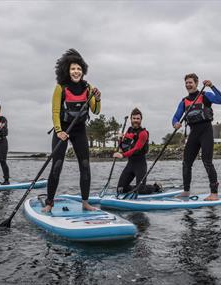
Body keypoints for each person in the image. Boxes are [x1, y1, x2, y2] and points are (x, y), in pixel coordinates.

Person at [42, 49, 101, 212]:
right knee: (57, 165)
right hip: (62, 129)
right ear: (67, 71)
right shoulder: (60, 87)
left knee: (85, 165)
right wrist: (59, 131)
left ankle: (85, 202)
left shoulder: (88, 87)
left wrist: (98, 98)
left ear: (83, 71)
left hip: (79, 130)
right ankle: (49, 202)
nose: (76, 72)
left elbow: (96, 111)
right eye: (73, 69)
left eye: (79, 69)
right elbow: (55, 112)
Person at [172, 73, 221, 201]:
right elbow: (176, 116)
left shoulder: (205, 95)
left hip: (206, 131)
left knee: (207, 161)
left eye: (190, 82)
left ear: (196, 83)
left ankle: (214, 193)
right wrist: (175, 123)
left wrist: (212, 86)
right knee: (186, 163)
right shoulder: (184, 101)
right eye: (186, 83)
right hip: (193, 133)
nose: (188, 85)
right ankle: (186, 191)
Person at [113, 108, 163, 195]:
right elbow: (123, 147)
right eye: (134, 118)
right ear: (131, 119)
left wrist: (122, 155)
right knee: (120, 189)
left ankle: (156, 187)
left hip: (140, 164)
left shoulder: (143, 133)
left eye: (138, 119)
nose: (136, 120)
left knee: (141, 191)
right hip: (130, 164)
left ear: (141, 120)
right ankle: (135, 188)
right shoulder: (129, 130)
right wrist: (119, 140)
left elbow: (136, 149)